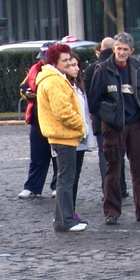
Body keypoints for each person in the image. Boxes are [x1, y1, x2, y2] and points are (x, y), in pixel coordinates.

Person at [87, 33, 140, 225]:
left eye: (125, 50)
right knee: (113, 169)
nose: (121, 53)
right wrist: (109, 115)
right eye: (119, 48)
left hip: (136, 124)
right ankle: (112, 211)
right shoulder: (103, 69)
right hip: (113, 126)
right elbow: (94, 101)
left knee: (139, 168)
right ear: (114, 49)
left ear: (131, 51)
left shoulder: (137, 67)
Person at [34, 43, 87, 233]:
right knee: (66, 181)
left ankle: (62, 218)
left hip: (61, 136)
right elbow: (63, 111)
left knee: (65, 179)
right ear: (55, 62)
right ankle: (65, 220)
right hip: (63, 136)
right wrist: (81, 125)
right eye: (64, 60)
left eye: (68, 59)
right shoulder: (54, 81)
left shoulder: (52, 78)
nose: (67, 62)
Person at [17, 44, 57, 199]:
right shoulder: (35, 69)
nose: (44, 61)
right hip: (37, 117)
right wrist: (28, 94)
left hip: (54, 117)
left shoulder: (61, 70)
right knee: (37, 155)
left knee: (57, 155)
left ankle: (57, 185)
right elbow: (23, 87)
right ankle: (33, 187)